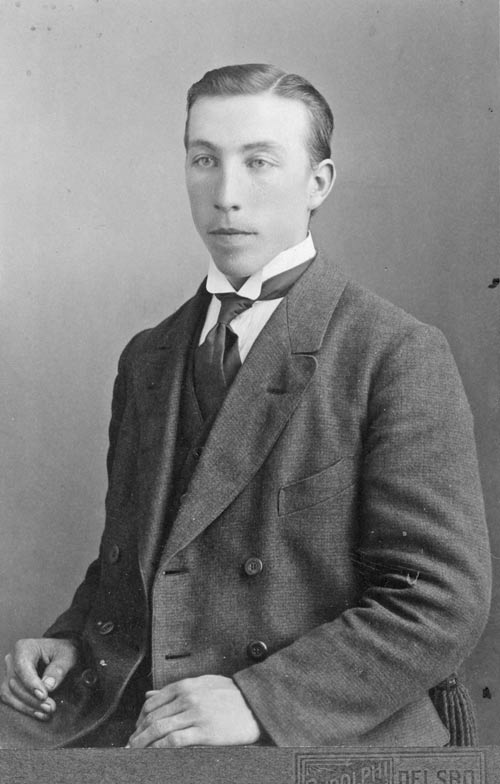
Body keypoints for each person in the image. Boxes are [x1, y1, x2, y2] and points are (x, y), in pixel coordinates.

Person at [0, 63, 491, 749]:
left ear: (318, 183)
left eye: (259, 162)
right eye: (205, 160)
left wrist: (259, 701)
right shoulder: (148, 356)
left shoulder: (394, 353)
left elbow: (438, 599)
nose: (226, 196)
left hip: (316, 735)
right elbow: (147, 558)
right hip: (149, 721)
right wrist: (78, 640)